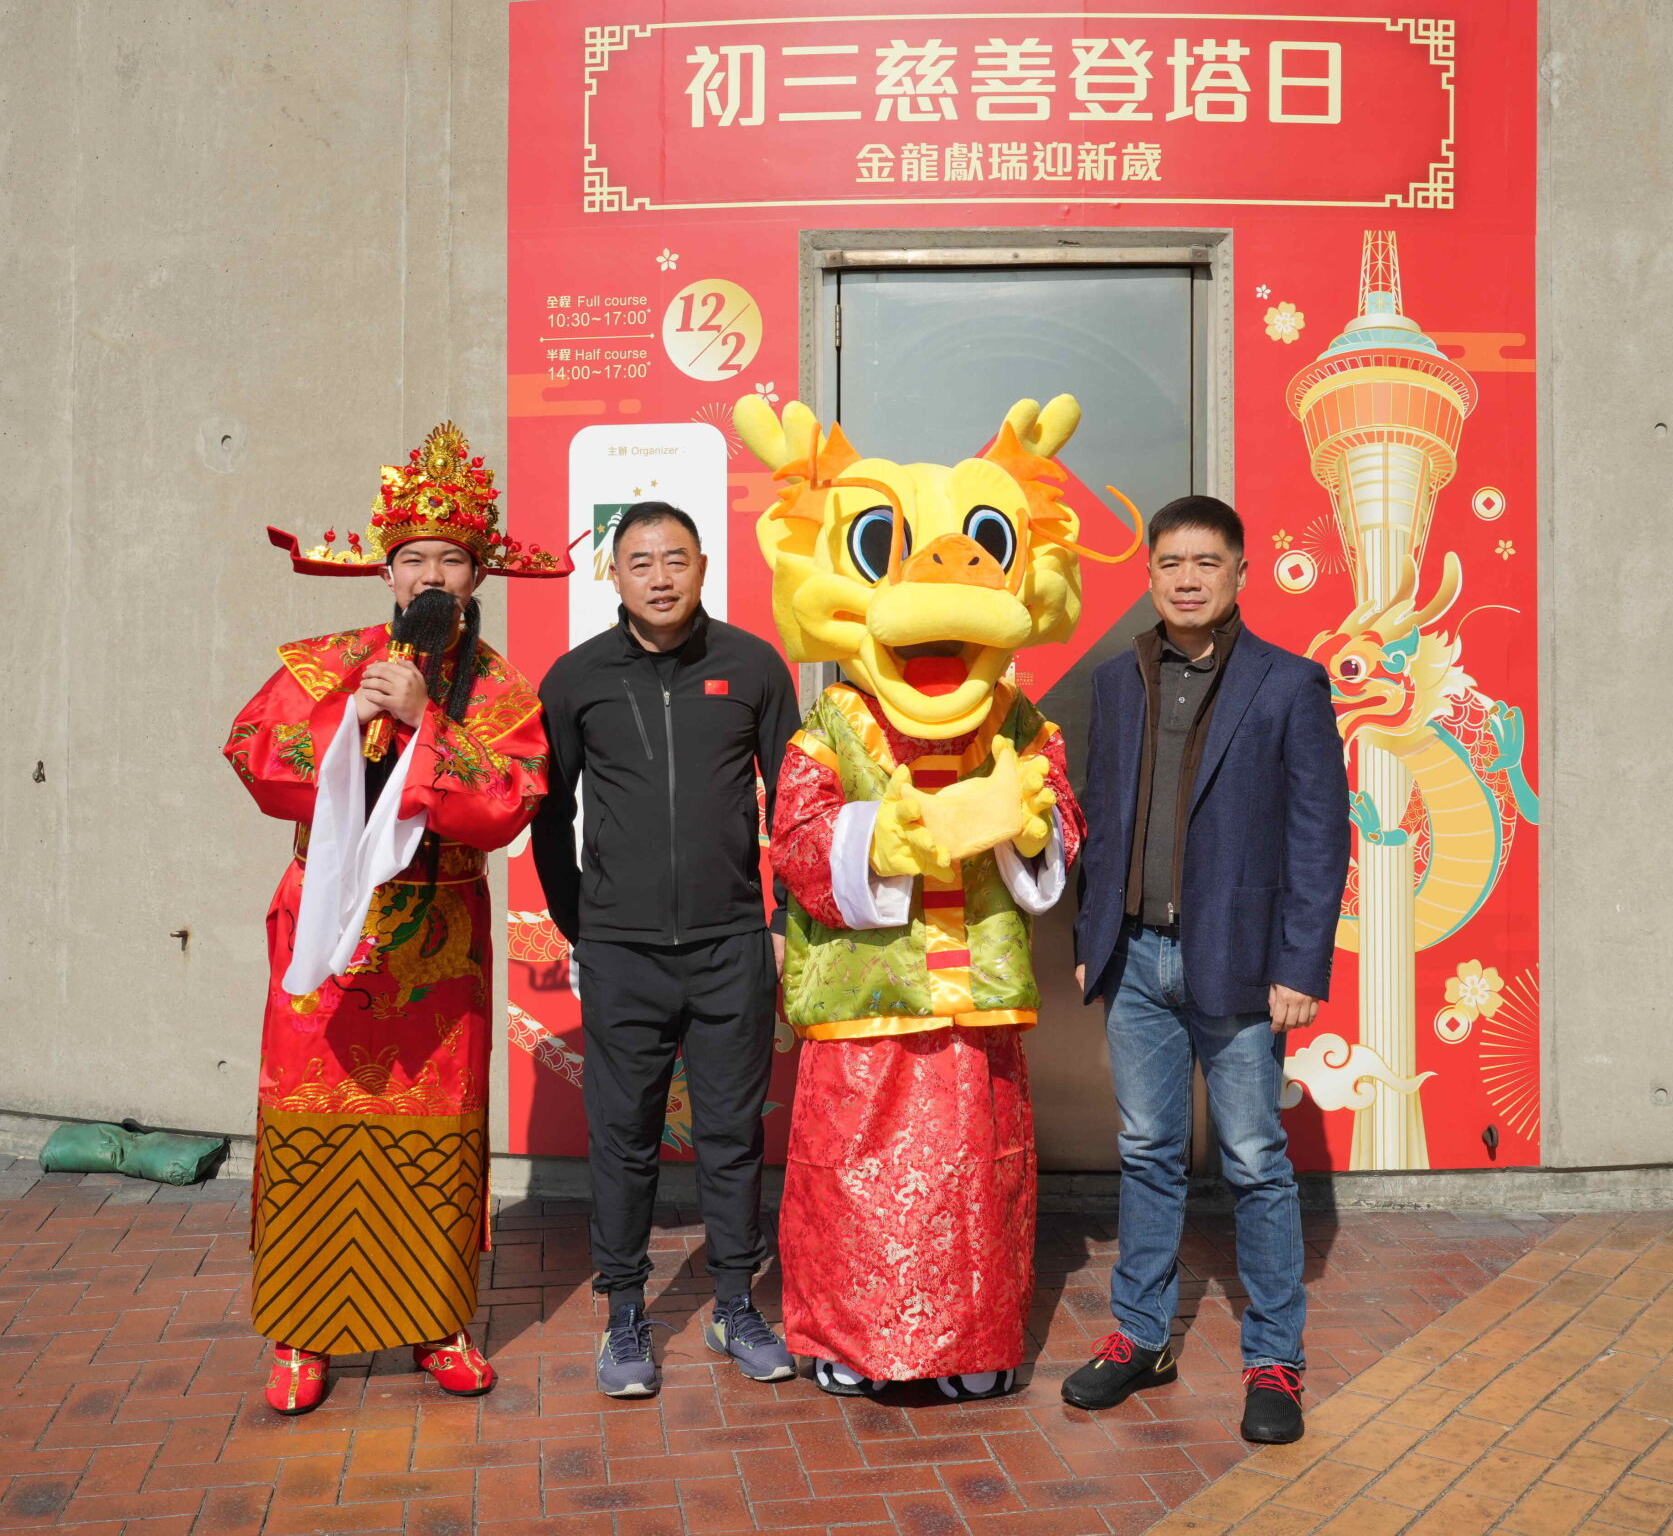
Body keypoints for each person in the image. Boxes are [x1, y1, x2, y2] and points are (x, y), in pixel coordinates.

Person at [736, 394, 1095, 1402]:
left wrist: (1028, 824)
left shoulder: (1018, 721)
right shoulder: (831, 723)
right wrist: (884, 837)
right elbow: (798, 842)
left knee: (977, 1184)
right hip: (865, 1001)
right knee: (853, 1183)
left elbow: (1060, 826)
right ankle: (850, 1344)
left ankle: (970, 1349)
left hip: (974, 999)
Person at [221, 421, 567, 1416]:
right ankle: (300, 1331)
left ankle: (437, 1322)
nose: (429, 574)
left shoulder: (498, 690)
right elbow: (255, 752)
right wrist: (354, 717)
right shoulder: (329, 662)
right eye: (412, 557)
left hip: (438, 935)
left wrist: (428, 723)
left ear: (476, 576)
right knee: (307, 1129)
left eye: (449, 560)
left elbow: (508, 802)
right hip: (330, 926)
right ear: (386, 572)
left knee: (437, 1135)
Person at [1059, 494, 1350, 1446]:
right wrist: (1089, 940)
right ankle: (1142, 1336)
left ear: (1239, 575)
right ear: (1149, 574)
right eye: (1170, 563)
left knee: (1257, 1159)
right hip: (1137, 960)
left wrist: (1299, 964)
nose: (1186, 578)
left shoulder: (1288, 683)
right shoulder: (1117, 681)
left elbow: (1318, 838)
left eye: (1206, 563)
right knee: (1145, 1149)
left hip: (1240, 963)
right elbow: (1102, 821)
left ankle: (1274, 1358)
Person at [532, 501, 801, 1398]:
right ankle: (623, 1317)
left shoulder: (753, 665)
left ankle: (735, 1304)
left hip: (731, 944)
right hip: (624, 952)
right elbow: (547, 816)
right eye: (640, 560)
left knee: (730, 1134)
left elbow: (797, 805)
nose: (659, 575)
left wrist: (778, 922)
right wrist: (588, 927)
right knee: (624, 1138)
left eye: (675, 558)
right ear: (614, 574)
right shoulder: (574, 680)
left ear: (703, 565)